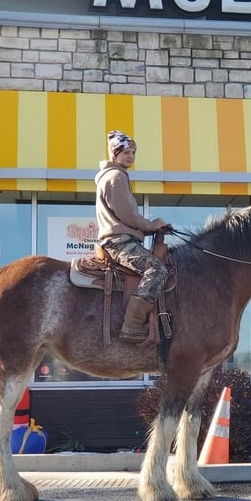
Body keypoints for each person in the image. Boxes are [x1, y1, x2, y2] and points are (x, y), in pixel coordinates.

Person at [95, 130, 170, 343]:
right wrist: (151, 225)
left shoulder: (114, 176)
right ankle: (133, 325)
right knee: (156, 270)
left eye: (133, 152)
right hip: (119, 242)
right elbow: (128, 215)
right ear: (114, 154)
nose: (130, 156)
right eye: (125, 152)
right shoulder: (116, 177)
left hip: (118, 240)